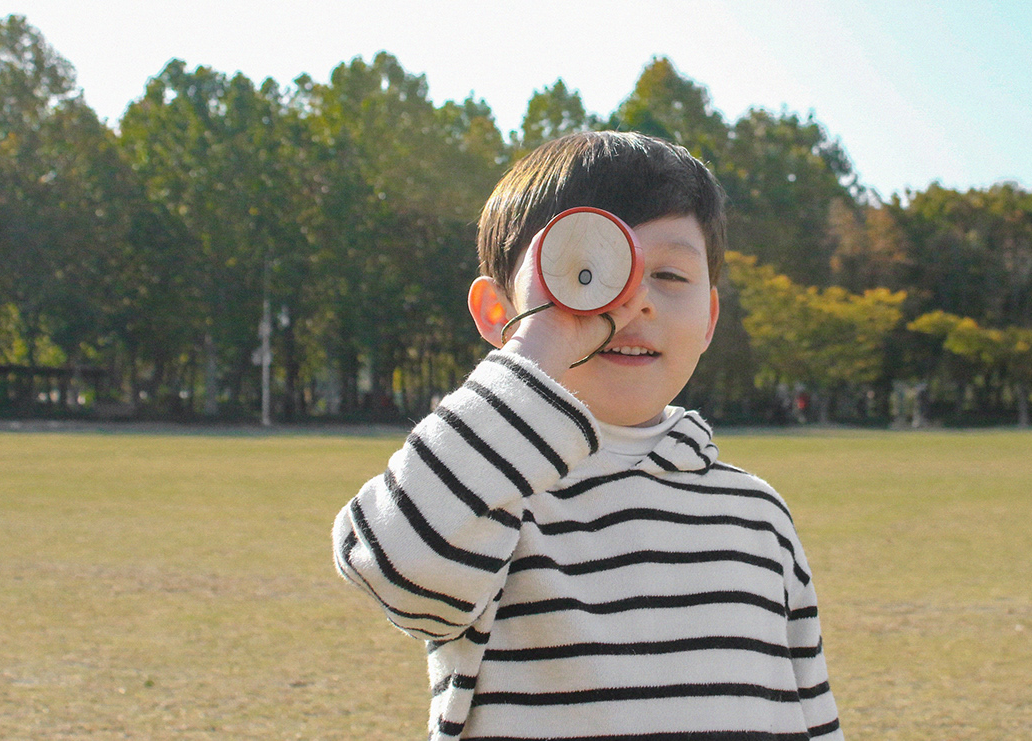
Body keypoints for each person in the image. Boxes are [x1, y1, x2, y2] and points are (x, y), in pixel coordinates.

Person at [333, 131, 843, 740]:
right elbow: (393, 564)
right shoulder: (491, 494)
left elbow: (808, 710)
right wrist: (543, 341)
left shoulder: (757, 515)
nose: (631, 302)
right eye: (586, 269)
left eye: (670, 275)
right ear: (500, 313)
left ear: (709, 317)